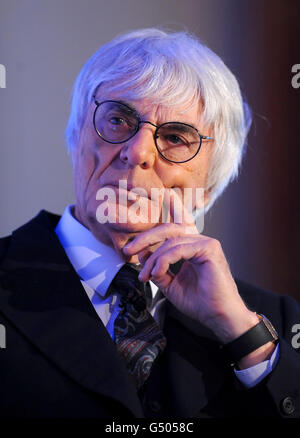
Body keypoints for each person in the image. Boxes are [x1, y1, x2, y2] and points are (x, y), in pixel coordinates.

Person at [0, 28, 300, 419]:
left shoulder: (273, 322)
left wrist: (245, 338)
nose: (137, 151)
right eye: (119, 119)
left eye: (176, 137)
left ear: (208, 187)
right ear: (77, 138)